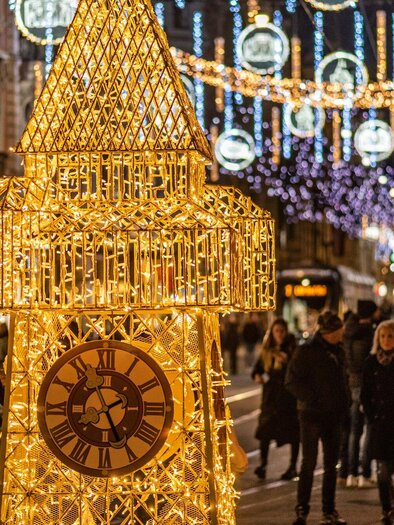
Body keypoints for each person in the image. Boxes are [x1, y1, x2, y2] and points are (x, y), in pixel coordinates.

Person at [285, 311, 349, 525]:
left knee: (331, 465)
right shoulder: (307, 351)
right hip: (311, 415)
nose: (341, 334)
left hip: (334, 416)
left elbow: (343, 381)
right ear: (329, 332)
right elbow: (291, 380)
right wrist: (312, 398)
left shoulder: (339, 351)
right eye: (338, 331)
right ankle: (302, 510)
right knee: (309, 463)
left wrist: (344, 404)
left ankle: (328, 511)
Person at [252, 318, 299, 481]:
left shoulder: (293, 349)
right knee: (265, 432)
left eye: (282, 331)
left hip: (287, 399)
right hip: (270, 399)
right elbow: (256, 370)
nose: (279, 334)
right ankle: (263, 465)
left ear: (286, 332)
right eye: (276, 331)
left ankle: (293, 466)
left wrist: (286, 363)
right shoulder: (267, 351)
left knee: (293, 434)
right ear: (272, 333)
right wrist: (258, 376)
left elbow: (297, 373)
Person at [342, 299, 380, 488]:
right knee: (369, 428)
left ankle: (350, 473)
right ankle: (364, 472)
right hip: (364, 385)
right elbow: (369, 362)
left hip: (351, 383)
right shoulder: (368, 334)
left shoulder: (348, 332)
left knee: (353, 431)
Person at [360, 320, 394, 525]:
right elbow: (365, 393)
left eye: (390, 336)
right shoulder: (371, 362)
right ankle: (386, 508)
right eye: (382, 336)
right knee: (382, 470)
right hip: (380, 424)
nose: (386, 340)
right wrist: (371, 416)